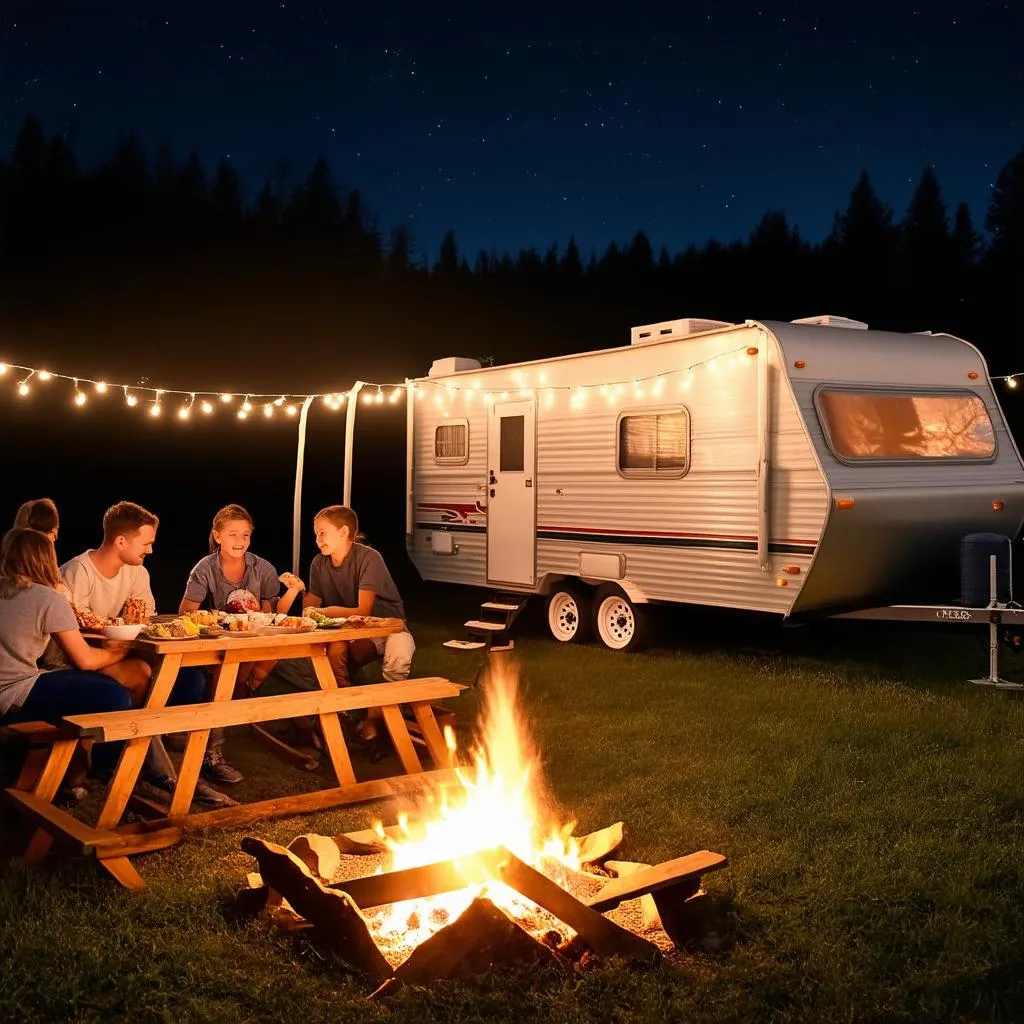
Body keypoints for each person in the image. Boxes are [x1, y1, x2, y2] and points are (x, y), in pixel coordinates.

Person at [61, 501, 233, 806]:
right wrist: (119, 631)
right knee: (140, 675)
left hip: (120, 652)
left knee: (186, 676)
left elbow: (141, 620)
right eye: (147, 543)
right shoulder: (78, 573)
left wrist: (125, 631)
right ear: (121, 541)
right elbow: (72, 627)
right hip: (72, 660)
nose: (151, 551)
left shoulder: (137, 572)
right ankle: (148, 772)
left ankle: (135, 768)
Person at [177, 503, 305, 784]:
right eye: (233, 534)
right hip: (222, 641)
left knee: (269, 654)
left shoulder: (263, 569)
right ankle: (213, 749)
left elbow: (272, 615)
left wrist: (293, 592)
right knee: (227, 673)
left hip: (256, 642)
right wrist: (213, 619)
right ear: (218, 535)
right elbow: (187, 611)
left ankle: (240, 699)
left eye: (245, 535)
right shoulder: (206, 568)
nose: (240, 541)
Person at [0, 528, 132, 781]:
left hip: (17, 685)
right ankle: (103, 770)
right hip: (15, 694)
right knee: (116, 696)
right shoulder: (47, 597)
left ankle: (73, 767)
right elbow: (85, 660)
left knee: (84, 686)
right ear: (45, 559)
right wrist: (121, 651)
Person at [304, 505, 415, 744]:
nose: (317, 539)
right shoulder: (318, 564)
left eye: (322, 532)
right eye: (316, 534)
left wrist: (322, 611)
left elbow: (364, 610)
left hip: (386, 626)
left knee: (400, 653)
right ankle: (348, 712)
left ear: (343, 532)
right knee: (333, 652)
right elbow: (308, 609)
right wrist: (301, 598)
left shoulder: (368, 558)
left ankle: (375, 718)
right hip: (349, 628)